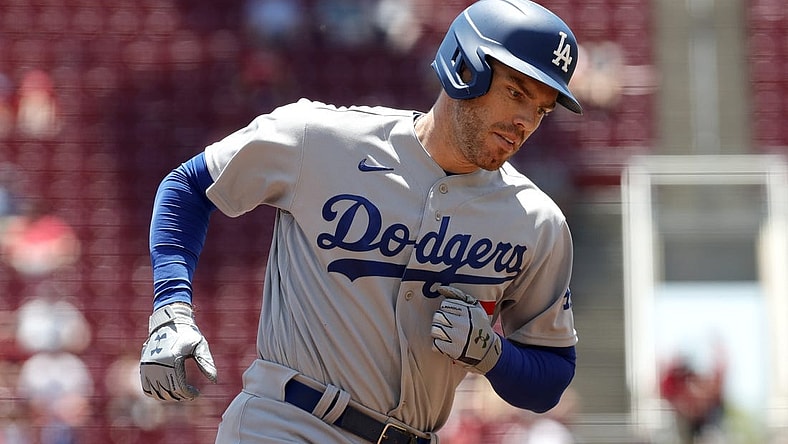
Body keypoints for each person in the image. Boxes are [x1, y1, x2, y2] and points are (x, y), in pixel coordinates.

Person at [139, 1, 583, 443]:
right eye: (517, 93)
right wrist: (171, 306)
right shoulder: (320, 138)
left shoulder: (536, 222)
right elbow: (188, 186)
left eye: (542, 109)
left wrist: (493, 356)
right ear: (464, 68)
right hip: (289, 423)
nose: (526, 121)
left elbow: (552, 376)